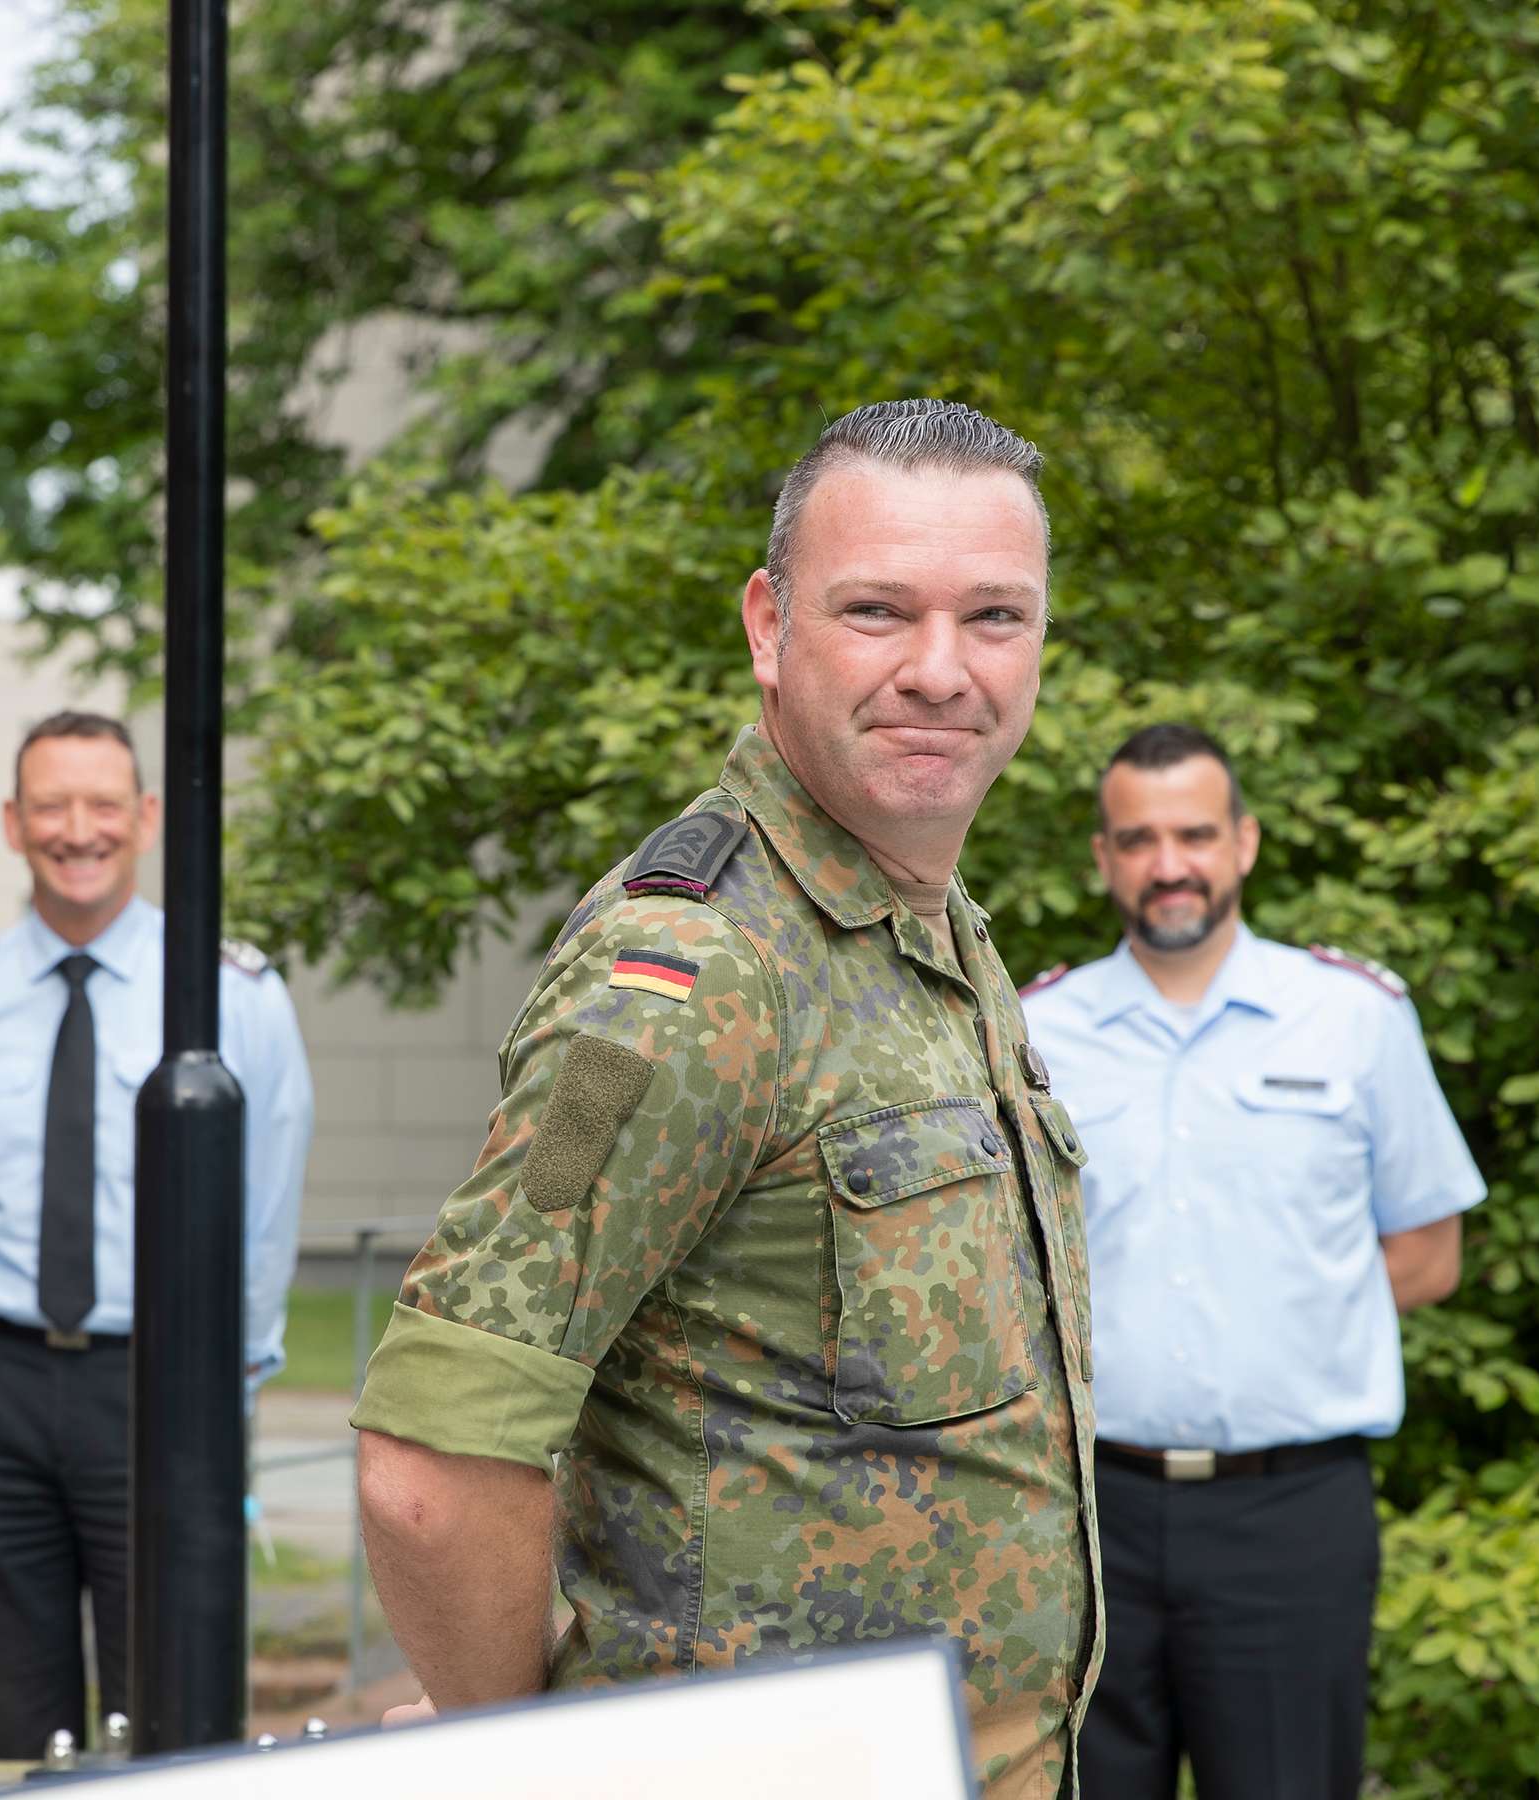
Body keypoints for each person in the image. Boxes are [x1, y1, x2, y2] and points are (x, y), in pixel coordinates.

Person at [349, 400, 1100, 1799]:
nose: (942, 670)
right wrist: (529, 1765)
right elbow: (433, 1455)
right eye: (877, 611)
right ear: (769, 626)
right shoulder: (691, 977)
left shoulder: (933, 937)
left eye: (994, 617)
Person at [1019, 724, 1483, 1800]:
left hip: (1290, 1515)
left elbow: (1426, 1253)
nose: (1167, 863)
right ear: (1101, 858)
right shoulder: (1037, 1031)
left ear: (1244, 843)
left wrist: (1271, 1328)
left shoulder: (1353, 1019)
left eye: (1192, 834)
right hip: (1084, 1514)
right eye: (1137, 839)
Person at [0, 710, 315, 1760]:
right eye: (49, 805)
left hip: (164, 1381)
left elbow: (263, 1216)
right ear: (10, 822)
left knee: (173, 1706)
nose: (73, 830)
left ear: (144, 820)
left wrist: (229, 1391)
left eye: (98, 806)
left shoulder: (233, 1000)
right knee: (4, 1716)